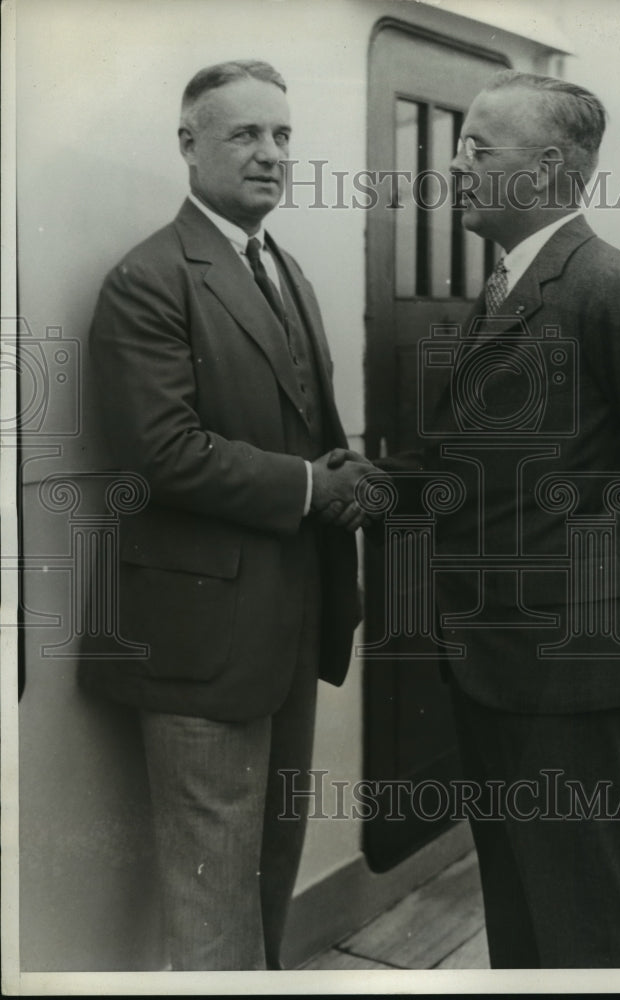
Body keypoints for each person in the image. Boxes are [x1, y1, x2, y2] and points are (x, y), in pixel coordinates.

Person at [365, 70, 620, 967]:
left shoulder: (613, 290)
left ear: (547, 168)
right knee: (522, 908)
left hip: (565, 663)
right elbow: (480, 471)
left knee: (578, 922)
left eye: (476, 148)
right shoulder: (506, 287)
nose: (453, 163)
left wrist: (611, 604)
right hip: (494, 654)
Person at [79, 59, 371, 971]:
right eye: (245, 134)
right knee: (212, 905)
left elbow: (287, 427)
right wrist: (313, 488)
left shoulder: (284, 271)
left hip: (287, 626)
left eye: (282, 136)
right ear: (188, 144)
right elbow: (159, 454)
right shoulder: (149, 279)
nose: (271, 154)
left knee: (266, 873)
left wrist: (342, 469)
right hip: (198, 645)